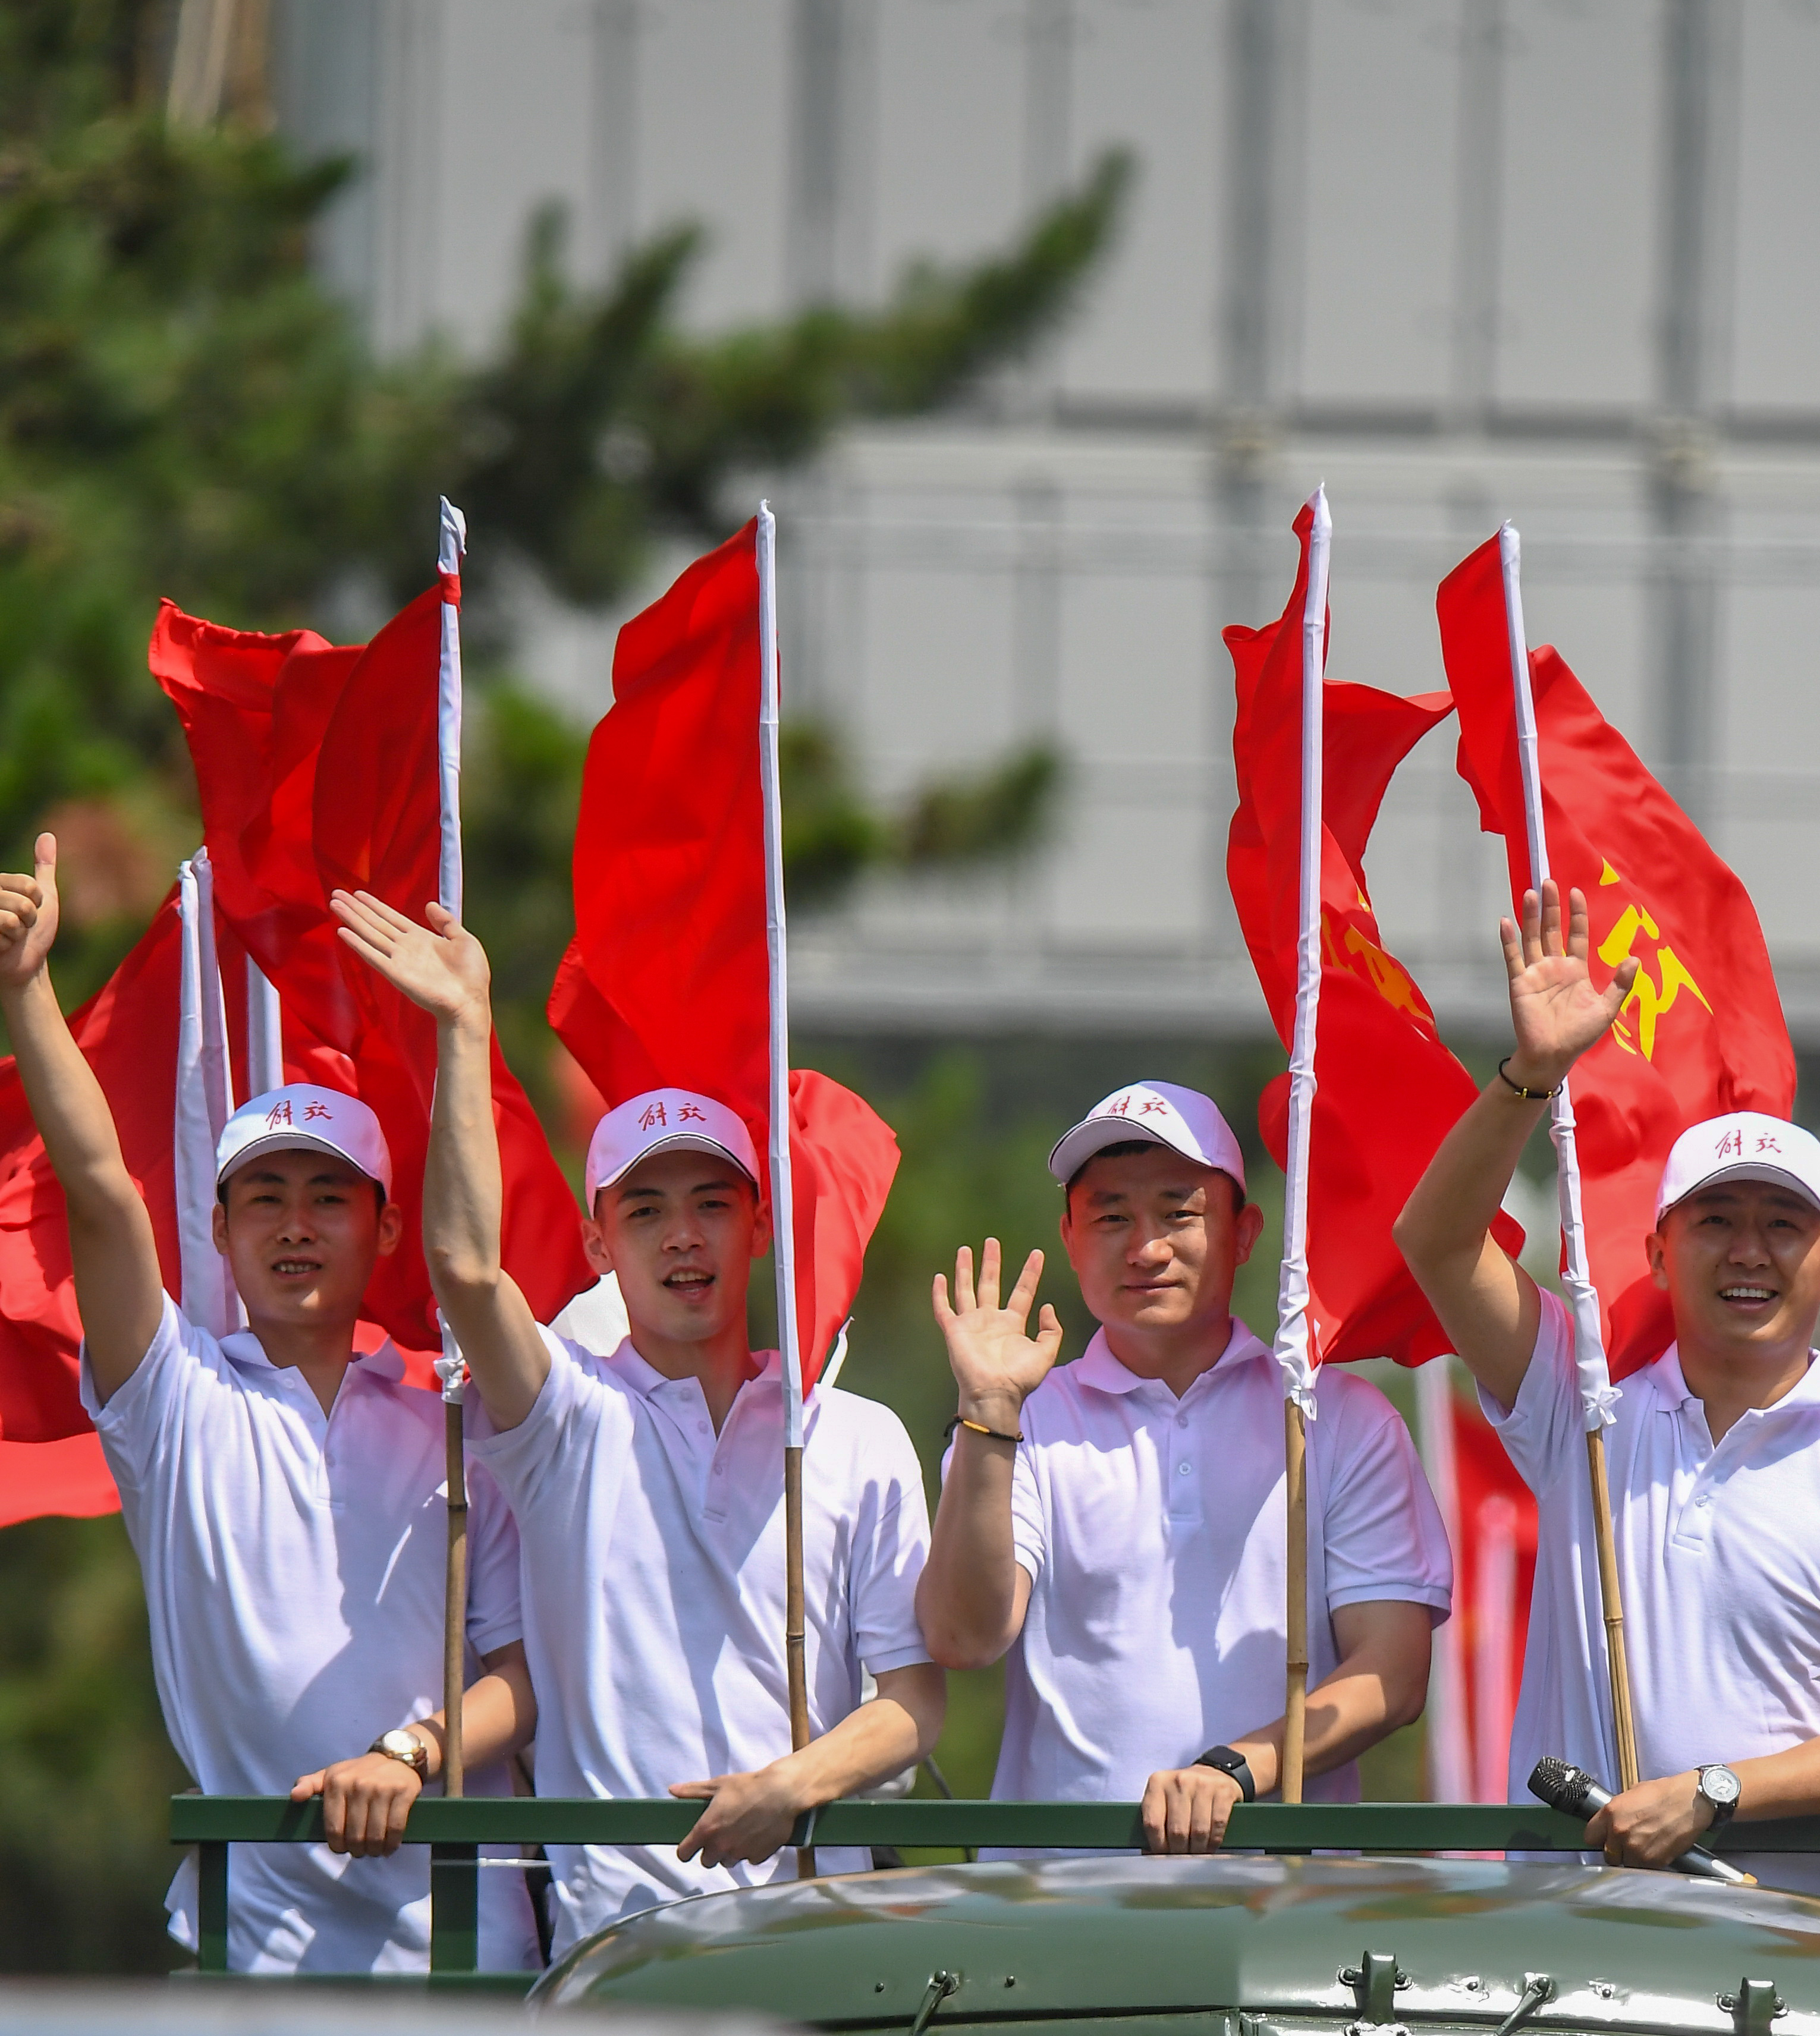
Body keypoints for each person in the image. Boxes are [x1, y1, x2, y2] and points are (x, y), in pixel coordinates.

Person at [331, 886, 942, 1953]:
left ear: (759, 1227)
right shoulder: (569, 1415)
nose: (683, 1237)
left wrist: (787, 1788)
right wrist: (466, 1031)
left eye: (712, 1204)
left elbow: (914, 1704)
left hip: (824, 1943)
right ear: (600, 1243)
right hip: (623, 1952)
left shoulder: (854, 1436)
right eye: (646, 1211)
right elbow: (469, 1271)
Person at [0, 833, 539, 1974]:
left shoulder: (455, 1415)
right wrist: (28, 992)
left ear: (385, 1229)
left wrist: (410, 1754)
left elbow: (520, 1676)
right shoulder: (174, 1399)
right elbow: (98, 1192)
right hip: (253, 1951)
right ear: (220, 1232)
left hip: (463, 1949)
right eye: (264, 1199)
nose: (295, 1224)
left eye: (328, 1197)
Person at [1395, 885, 1820, 1899]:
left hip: (1790, 1966)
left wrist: (1712, 1793)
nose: (1750, 1251)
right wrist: (1532, 1074)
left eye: (1784, 1226)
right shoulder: (1586, 1414)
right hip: (1572, 1943)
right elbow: (1435, 1244)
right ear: (1657, 1251)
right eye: (1716, 1221)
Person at [918, 1079, 1451, 1850]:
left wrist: (1238, 1771)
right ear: (1069, 1237)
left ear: (1244, 1232)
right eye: (1111, 1217)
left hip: (1286, 1909)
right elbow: (964, 1640)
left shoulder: (1340, 1419)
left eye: (1179, 1213)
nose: (1146, 1248)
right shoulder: (1022, 1422)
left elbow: (1394, 1675)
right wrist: (991, 1412)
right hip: (1061, 1910)